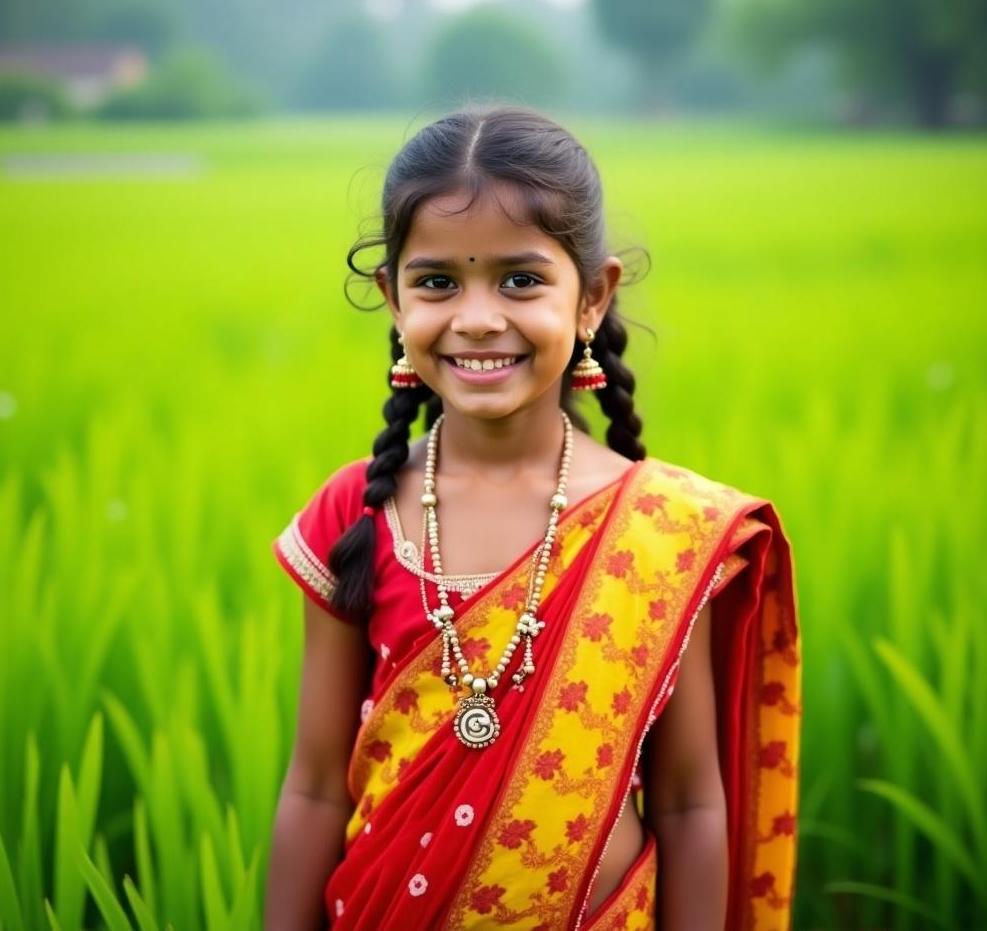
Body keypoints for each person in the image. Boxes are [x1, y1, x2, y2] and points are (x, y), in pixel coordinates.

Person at [264, 105, 800, 931]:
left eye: (520, 279)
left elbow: (691, 804)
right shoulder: (357, 509)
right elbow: (314, 783)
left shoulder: (659, 530)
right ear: (392, 300)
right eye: (437, 281)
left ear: (592, 298)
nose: (478, 317)